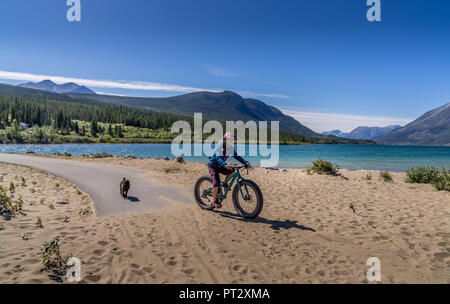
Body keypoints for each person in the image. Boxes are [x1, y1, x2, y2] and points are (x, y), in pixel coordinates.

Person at [207, 132, 250, 208]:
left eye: (232, 140)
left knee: (232, 171)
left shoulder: (230, 148)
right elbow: (218, 158)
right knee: (216, 183)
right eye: (230, 140)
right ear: (225, 140)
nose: (231, 141)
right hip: (213, 166)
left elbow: (236, 156)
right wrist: (225, 165)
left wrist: (244, 162)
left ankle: (224, 183)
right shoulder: (220, 146)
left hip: (221, 165)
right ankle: (214, 201)